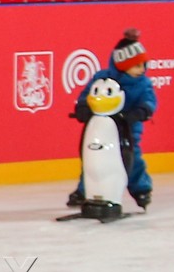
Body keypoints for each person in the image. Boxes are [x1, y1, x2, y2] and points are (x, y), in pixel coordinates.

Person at [66, 28, 157, 209]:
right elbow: (87, 95)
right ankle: (85, 190)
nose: (142, 70)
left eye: (143, 65)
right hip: (101, 128)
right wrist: (83, 107)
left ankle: (141, 189)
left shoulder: (143, 84)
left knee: (131, 159)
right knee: (94, 159)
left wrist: (141, 111)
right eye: (137, 65)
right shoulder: (102, 78)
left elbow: (149, 101)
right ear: (122, 64)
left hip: (128, 130)